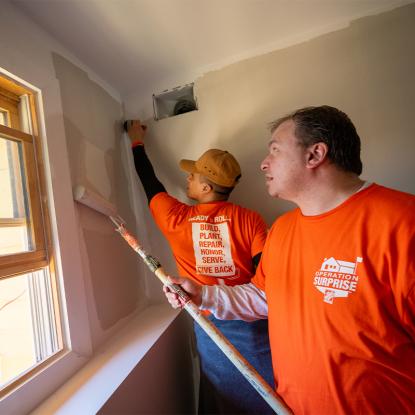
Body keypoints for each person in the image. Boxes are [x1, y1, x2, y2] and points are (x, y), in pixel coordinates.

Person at [165, 105, 415, 414]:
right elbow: (263, 297)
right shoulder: (282, 230)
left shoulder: (404, 223)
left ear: (314, 155)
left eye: (275, 151)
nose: (263, 164)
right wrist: (204, 294)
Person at [126, 120, 275, 414]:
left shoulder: (176, 218)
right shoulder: (251, 219)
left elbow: (150, 182)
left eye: (192, 177)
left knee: (222, 395)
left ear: (206, 187)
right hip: (254, 319)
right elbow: (265, 271)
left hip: (211, 320)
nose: (187, 181)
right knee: (264, 391)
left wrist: (136, 142)